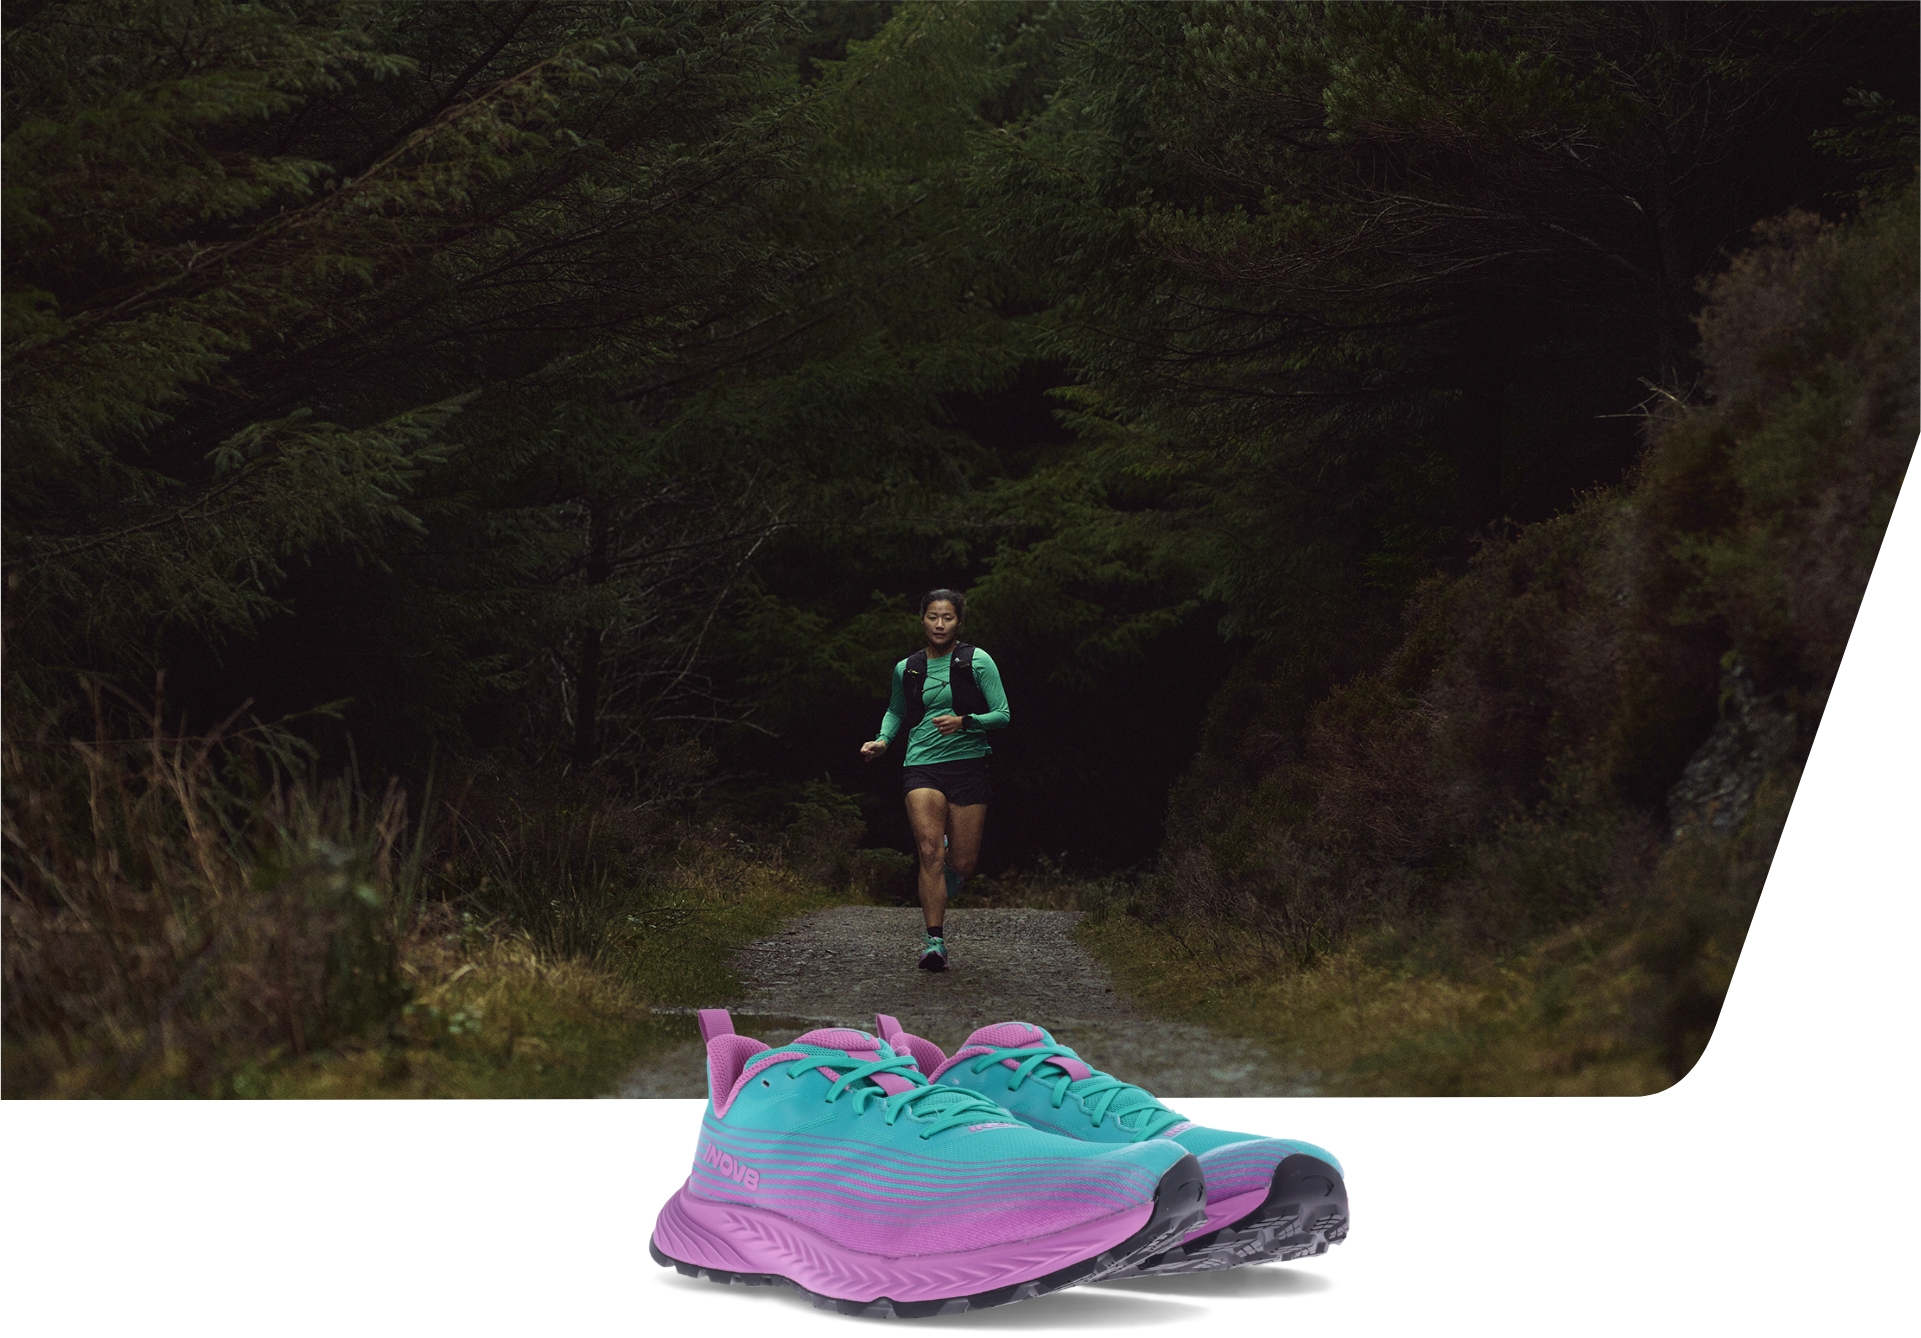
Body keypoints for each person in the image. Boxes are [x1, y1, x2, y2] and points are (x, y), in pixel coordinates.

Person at [860, 589, 1010, 971]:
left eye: (947, 618)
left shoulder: (977, 661)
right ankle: (934, 942)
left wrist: (965, 722)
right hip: (921, 764)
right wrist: (883, 741)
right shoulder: (907, 667)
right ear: (922, 619)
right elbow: (896, 710)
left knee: (962, 863)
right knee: (929, 851)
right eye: (932, 617)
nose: (940, 624)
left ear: (958, 621)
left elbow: (1003, 714)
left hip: (969, 765)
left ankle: (948, 867)